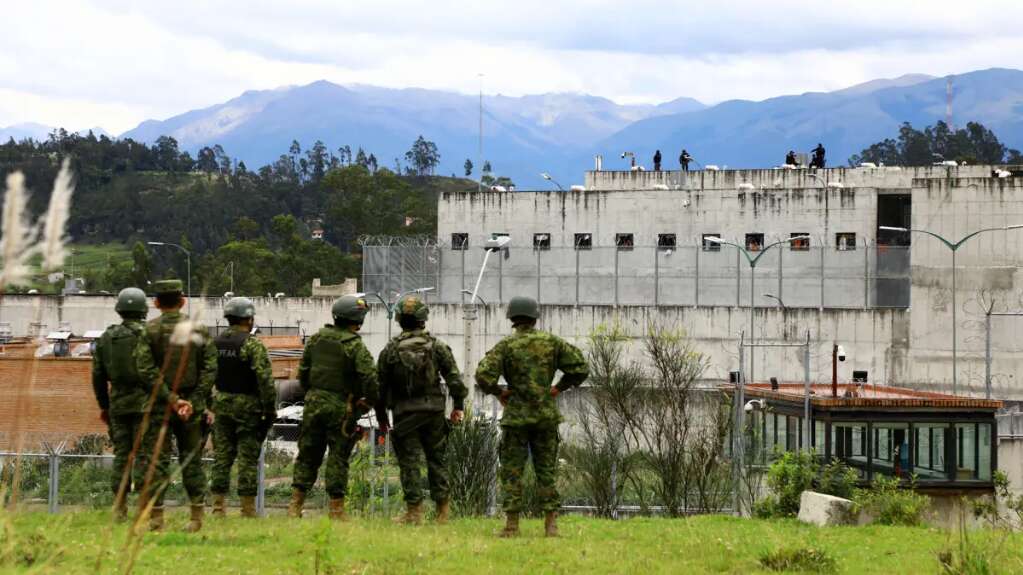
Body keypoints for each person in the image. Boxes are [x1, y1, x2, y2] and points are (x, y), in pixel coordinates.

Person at [475, 296, 589, 538]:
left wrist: (499, 392)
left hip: (516, 418)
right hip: (545, 416)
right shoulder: (552, 343)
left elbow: (483, 375)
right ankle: (551, 526)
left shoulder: (506, 346)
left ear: (512, 318)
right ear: (535, 317)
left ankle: (512, 526)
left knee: (512, 471)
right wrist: (558, 388)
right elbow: (580, 368)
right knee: (546, 470)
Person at [91, 287, 192, 528]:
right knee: (148, 457)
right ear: (144, 309)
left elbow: (97, 376)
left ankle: (119, 507)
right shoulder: (150, 334)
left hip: (118, 404)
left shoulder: (107, 338)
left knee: (122, 456)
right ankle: (146, 508)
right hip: (148, 404)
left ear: (119, 309)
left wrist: (105, 405)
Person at [375, 295, 467, 525]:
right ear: (423, 320)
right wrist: (458, 407)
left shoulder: (390, 350)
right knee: (438, 460)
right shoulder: (437, 347)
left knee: (410, 463)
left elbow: (379, 388)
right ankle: (442, 512)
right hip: (434, 413)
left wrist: (381, 418)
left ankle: (414, 512)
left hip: (404, 414)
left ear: (399, 320)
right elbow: (455, 381)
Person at [289, 295, 378, 520]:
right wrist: (368, 401)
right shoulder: (354, 345)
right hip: (341, 407)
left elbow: (303, 375)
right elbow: (370, 379)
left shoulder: (316, 339)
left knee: (308, 454)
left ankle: (295, 506)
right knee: (338, 456)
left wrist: (315, 394)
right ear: (357, 320)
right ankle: (336, 510)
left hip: (313, 403)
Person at [143, 279, 217, 533]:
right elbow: (210, 368)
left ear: (156, 303)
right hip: (192, 407)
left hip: (160, 406)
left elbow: (146, 371)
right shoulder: (198, 330)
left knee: (157, 461)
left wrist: (171, 399)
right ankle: (196, 518)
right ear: (182, 301)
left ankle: (156, 519)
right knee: (191, 461)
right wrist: (193, 400)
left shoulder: (149, 331)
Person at [210, 297, 277, 518]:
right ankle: (247, 509)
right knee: (247, 458)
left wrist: (210, 404)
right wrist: (269, 410)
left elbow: (205, 376)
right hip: (248, 408)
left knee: (222, 457)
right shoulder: (252, 344)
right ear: (249, 318)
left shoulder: (215, 344)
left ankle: (218, 507)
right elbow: (265, 380)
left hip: (221, 405)